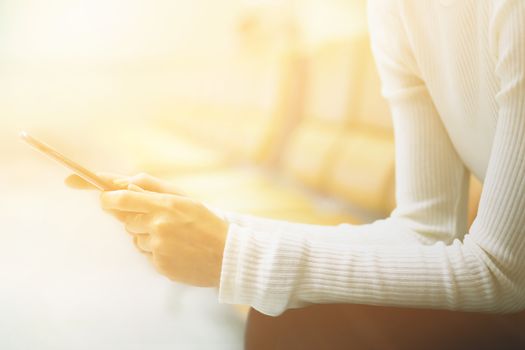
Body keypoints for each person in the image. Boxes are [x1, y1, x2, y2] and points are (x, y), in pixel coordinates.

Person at [67, 0, 525, 348]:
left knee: (295, 312)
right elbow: (426, 232)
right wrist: (212, 226)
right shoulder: (394, 11)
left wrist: (237, 256)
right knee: (295, 309)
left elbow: (506, 275)